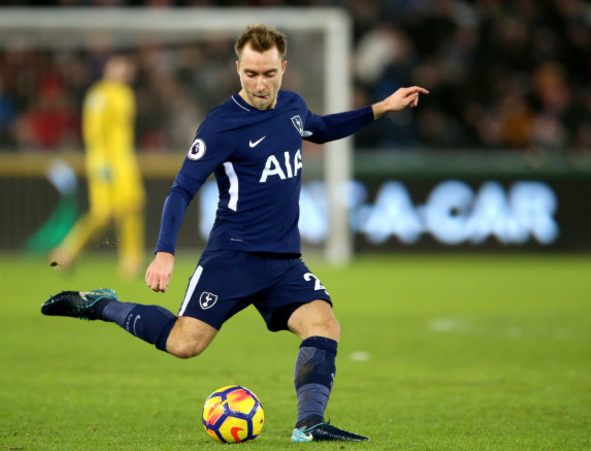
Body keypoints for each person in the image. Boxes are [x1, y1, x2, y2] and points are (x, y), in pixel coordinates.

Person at [41, 25, 428, 442]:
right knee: (184, 343)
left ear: (283, 67)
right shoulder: (221, 125)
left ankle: (309, 424)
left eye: (268, 73)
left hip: (282, 261)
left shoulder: (293, 108)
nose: (260, 84)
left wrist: (380, 108)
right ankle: (102, 305)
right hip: (233, 258)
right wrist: (164, 252)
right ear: (237, 68)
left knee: (323, 323)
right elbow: (182, 189)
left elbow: (321, 128)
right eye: (250, 74)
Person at [49, 55, 146, 278]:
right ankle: (66, 251)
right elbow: (93, 132)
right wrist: (101, 162)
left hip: (124, 161)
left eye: (126, 69)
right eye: (119, 67)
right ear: (108, 69)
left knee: (132, 206)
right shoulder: (99, 95)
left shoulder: (125, 94)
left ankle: (131, 260)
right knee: (103, 213)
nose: (124, 72)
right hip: (103, 161)